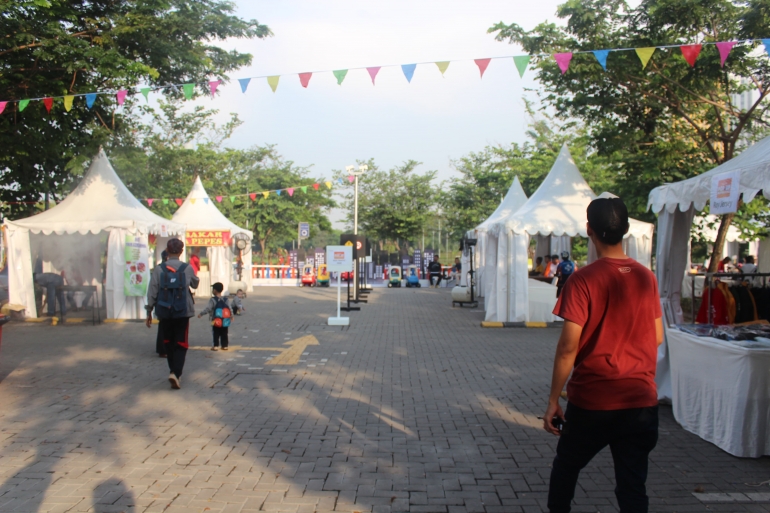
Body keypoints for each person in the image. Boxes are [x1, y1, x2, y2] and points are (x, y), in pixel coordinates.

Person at [543, 197, 663, 513]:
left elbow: (568, 347)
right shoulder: (645, 277)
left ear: (588, 230)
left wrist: (554, 400)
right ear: (625, 229)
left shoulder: (583, 280)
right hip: (640, 401)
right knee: (633, 485)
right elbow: (658, 337)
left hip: (593, 401)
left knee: (566, 468)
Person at [145, 238, 199, 389]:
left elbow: (152, 291)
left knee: (168, 341)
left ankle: (172, 371)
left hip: (164, 310)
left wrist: (149, 310)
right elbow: (195, 283)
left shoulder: (159, 269)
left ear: (167, 251)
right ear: (181, 251)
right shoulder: (187, 268)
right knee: (181, 343)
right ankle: (176, 373)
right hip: (183, 311)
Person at [198, 282, 231, 351]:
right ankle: (225, 345)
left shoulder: (213, 299)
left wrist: (201, 313)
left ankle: (215, 346)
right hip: (225, 320)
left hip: (215, 319)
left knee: (215, 332)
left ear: (215, 290)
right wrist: (232, 316)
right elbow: (230, 308)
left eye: (213, 289)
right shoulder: (226, 299)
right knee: (224, 333)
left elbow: (208, 308)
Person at [154, 250, 169, 358]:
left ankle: (162, 349)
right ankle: (171, 348)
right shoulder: (182, 267)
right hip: (176, 303)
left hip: (162, 302)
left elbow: (153, 289)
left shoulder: (158, 269)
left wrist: (150, 308)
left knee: (163, 326)